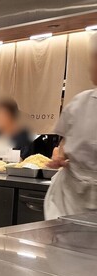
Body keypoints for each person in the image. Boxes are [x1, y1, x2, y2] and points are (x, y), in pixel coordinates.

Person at [44, 33, 97, 219]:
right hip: (71, 198)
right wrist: (60, 156)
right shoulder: (79, 103)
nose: (91, 66)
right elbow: (66, 142)